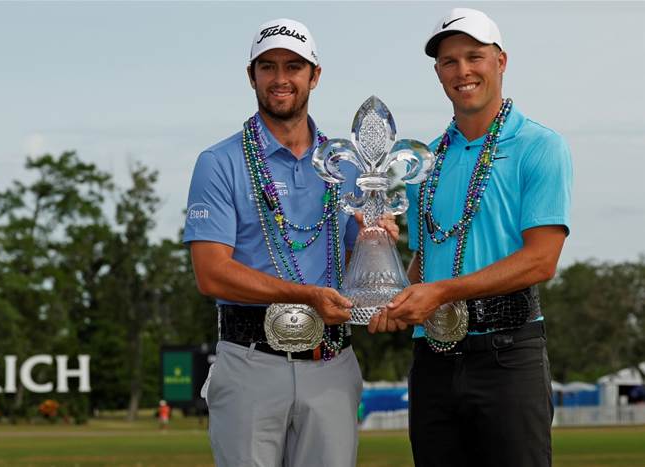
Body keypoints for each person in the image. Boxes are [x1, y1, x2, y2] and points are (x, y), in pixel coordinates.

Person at [184, 18, 397, 467]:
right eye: (268, 67)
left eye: (294, 67)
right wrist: (306, 297)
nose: (281, 79)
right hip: (250, 361)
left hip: (332, 364)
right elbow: (211, 273)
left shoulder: (350, 164)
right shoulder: (219, 162)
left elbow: (358, 261)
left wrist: (376, 243)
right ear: (252, 76)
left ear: (314, 76)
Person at [368, 8, 573, 467]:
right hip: (433, 359)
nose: (463, 71)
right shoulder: (424, 163)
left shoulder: (539, 145)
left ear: (501, 61)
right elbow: (425, 265)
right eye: (449, 62)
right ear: (438, 73)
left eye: (474, 57)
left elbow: (541, 260)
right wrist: (386, 280)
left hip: (507, 353)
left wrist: (442, 292)